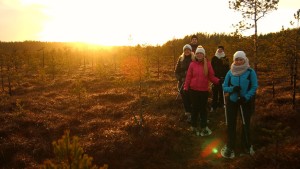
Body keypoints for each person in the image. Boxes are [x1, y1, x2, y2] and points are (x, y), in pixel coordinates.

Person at [221, 51, 258, 159]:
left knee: (245, 124)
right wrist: (232, 89)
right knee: (231, 124)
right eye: (236, 59)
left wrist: (245, 97)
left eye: (240, 59)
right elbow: (224, 87)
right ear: (234, 60)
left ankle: (245, 146)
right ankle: (230, 146)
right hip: (232, 102)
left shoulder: (250, 72)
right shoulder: (230, 72)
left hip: (245, 102)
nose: (238, 61)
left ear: (244, 59)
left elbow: (254, 86)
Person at [183, 46, 222, 136]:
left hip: (204, 91)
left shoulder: (207, 64)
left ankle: (203, 126)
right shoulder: (192, 64)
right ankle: (193, 126)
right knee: (194, 108)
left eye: (201, 53)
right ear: (195, 54)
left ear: (203, 54)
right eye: (197, 53)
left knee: (203, 109)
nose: (199, 55)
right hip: (193, 90)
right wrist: (186, 87)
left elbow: (211, 76)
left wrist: (218, 81)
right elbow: (188, 77)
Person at [175, 44, 194, 122]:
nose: (187, 51)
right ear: (183, 51)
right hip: (182, 83)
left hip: (192, 82)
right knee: (185, 99)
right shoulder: (180, 59)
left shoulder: (194, 58)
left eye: (188, 50)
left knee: (192, 98)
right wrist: (180, 78)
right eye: (185, 50)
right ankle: (188, 114)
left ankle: (194, 113)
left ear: (190, 50)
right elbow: (176, 72)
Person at [210, 46, 230, 112]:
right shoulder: (214, 58)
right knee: (215, 92)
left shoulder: (226, 58)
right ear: (217, 50)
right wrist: (213, 77)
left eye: (221, 49)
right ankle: (213, 106)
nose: (220, 50)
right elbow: (211, 68)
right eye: (219, 49)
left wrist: (226, 77)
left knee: (222, 92)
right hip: (215, 78)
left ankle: (221, 104)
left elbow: (228, 69)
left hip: (223, 78)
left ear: (223, 50)